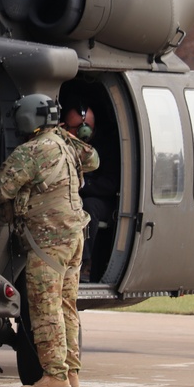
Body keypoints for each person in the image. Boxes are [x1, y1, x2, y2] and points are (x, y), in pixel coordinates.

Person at [0, 93, 99, 387]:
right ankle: (71, 374)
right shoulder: (65, 143)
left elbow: (0, 190)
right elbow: (93, 159)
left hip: (49, 243)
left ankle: (54, 377)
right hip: (75, 238)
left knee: (45, 308)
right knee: (67, 307)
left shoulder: (31, 152)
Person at [63, 106, 116, 283]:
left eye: (85, 127)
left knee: (90, 206)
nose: (81, 132)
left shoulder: (106, 147)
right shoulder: (60, 146)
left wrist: (82, 184)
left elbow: (110, 184)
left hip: (101, 201)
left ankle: (83, 262)